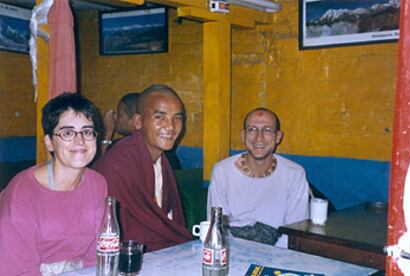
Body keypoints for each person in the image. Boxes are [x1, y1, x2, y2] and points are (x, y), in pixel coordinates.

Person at [0, 92, 107, 275]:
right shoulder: (22, 194)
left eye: (87, 132)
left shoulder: (98, 184)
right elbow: (16, 271)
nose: (80, 140)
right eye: (67, 133)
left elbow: (96, 255)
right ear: (49, 143)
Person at [93, 84, 191, 251]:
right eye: (160, 117)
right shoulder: (117, 163)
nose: (171, 126)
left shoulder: (162, 160)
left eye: (177, 118)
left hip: (162, 252)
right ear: (138, 121)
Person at [207, 107, 309, 247]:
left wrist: (272, 257)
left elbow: (295, 230)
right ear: (243, 135)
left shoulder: (295, 174)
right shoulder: (222, 171)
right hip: (233, 248)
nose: (258, 137)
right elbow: (218, 226)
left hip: (278, 250)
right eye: (252, 129)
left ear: (278, 137)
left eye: (267, 130)